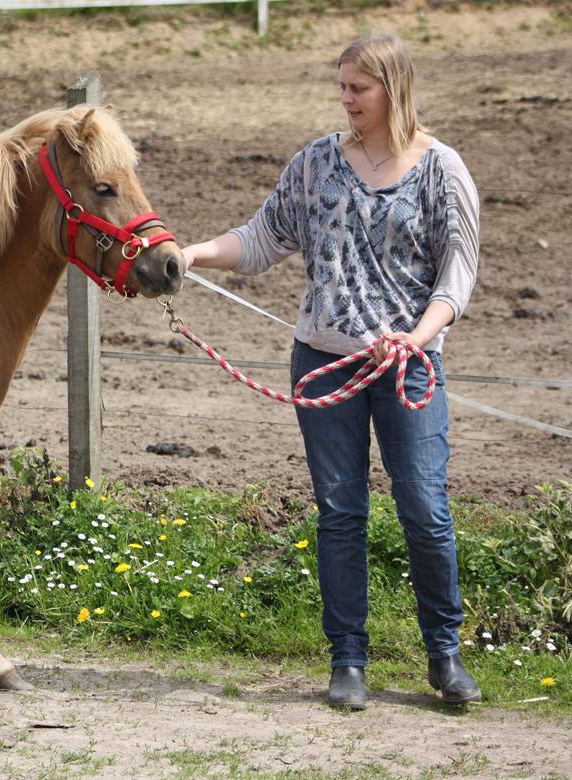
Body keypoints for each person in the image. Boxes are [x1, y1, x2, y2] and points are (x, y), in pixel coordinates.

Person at [180, 31, 480, 709]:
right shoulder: (315, 164)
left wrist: (415, 336)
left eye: (358, 89)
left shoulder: (442, 170)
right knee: (340, 512)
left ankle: (445, 654)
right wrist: (192, 254)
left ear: (392, 88)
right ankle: (348, 661)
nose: (345, 100)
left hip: (409, 368)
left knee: (425, 510)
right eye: (342, 87)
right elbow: (261, 239)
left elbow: (456, 276)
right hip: (323, 359)